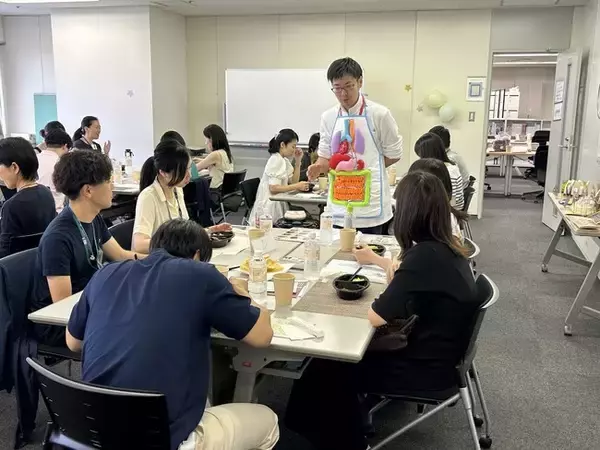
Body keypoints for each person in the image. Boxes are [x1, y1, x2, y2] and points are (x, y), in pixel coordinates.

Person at [285, 171, 480, 450]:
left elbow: (376, 316)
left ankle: (347, 441)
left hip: (425, 368)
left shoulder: (424, 256)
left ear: (408, 214)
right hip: (442, 355)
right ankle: (341, 428)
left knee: (331, 363)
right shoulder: (445, 247)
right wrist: (390, 269)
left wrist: (392, 277)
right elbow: (405, 285)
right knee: (331, 363)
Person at [66, 219, 279, 450]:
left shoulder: (106, 273)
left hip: (94, 431)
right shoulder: (200, 274)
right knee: (268, 422)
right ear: (197, 255)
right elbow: (262, 336)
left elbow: (73, 342)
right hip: (162, 438)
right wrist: (247, 296)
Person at [32, 150, 143, 323]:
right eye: (108, 181)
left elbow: (120, 255)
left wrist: (160, 260)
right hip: (62, 323)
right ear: (88, 191)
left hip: (93, 301)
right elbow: (63, 306)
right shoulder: (57, 238)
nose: (112, 186)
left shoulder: (93, 218)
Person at [307, 57, 403, 234]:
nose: (343, 94)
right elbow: (325, 156)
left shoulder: (379, 114)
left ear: (360, 82)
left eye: (348, 86)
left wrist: (368, 168)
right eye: (337, 88)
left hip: (371, 203)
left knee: (369, 249)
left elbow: (394, 153)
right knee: (338, 249)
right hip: (339, 201)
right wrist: (318, 167)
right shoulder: (328, 117)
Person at [133, 139, 230, 253]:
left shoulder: (177, 190)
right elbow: (139, 245)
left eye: (189, 168)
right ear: (163, 173)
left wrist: (208, 231)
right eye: (183, 170)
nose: (189, 175)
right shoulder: (148, 197)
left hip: (176, 257)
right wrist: (175, 243)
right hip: (158, 260)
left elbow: (183, 235)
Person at [0, 137, 56, 258]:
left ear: (14, 167)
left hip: (16, 266)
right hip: (43, 260)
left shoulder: (11, 207)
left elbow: (5, 254)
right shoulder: (46, 193)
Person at [250, 129, 310, 223]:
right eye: (293, 146)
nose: (294, 150)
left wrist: (298, 161)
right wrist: (297, 186)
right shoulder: (276, 159)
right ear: (282, 145)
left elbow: (293, 181)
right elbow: (273, 188)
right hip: (270, 206)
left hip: (278, 202)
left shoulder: (283, 160)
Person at [414, 132, 464, 210]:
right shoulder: (448, 166)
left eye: (421, 156)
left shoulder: (448, 171)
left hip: (449, 211)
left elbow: (451, 202)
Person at [37, 129, 72, 212]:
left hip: (33, 211)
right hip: (55, 213)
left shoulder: (34, 159)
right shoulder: (62, 165)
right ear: (65, 146)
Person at [195, 124, 234, 189]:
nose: (206, 143)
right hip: (224, 190)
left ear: (212, 139)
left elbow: (195, 169)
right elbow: (218, 166)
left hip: (215, 191)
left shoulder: (215, 154)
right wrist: (203, 161)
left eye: (206, 139)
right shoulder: (225, 152)